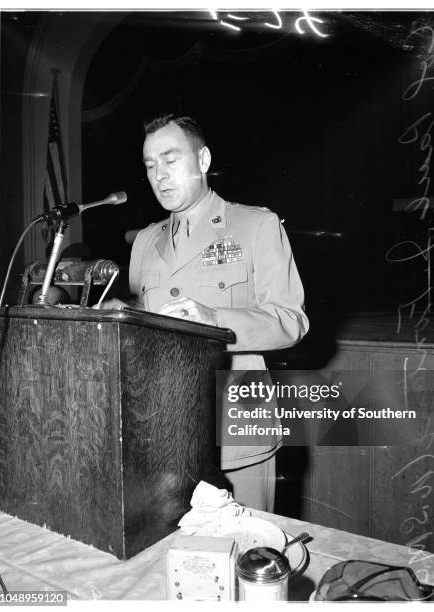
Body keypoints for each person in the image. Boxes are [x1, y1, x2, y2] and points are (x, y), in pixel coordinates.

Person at [97, 114, 309, 511]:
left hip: (237, 427)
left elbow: (291, 320)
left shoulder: (255, 225)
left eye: (171, 159)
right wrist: (124, 313)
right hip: (163, 430)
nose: (160, 175)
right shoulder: (144, 241)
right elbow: (154, 313)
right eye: (150, 166)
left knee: (248, 553)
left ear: (204, 160)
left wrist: (216, 322)